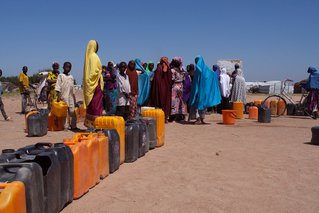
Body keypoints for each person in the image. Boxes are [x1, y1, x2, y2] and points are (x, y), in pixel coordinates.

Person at [189, 56, 221, 124]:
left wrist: (195, 91)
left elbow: (196, 82)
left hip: (199, 91)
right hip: (205, 92)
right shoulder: (207, 70)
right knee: (203, 105)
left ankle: (198, 119)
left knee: (197, 105)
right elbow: (212, 74)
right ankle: (202, 119)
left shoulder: (198, 69)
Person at [83, 40, 104, 128]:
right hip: (95, 84)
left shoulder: (87, 58)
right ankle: (96, 125)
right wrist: (100, 71)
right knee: (96, 105)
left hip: (90, 84)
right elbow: (94, 72)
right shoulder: (94, 56)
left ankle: (89, 124)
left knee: (91, 105)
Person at [55, 62, 77, 131]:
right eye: (66, 67)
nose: (68, 68)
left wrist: (74, 97)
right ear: (63, 67)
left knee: (72, 111)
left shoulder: (71, 77)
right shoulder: (60, 76)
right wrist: (58, 97)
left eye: (69, 67)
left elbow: (72, 88)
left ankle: (73, 126)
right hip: (63, 96)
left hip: (70, 96)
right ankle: (65, 126)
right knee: (64, 112)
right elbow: (58, 87)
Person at [150, 57, 172, 123]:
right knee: (161, 102)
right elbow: (157, 80)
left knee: (166, 103)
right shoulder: (160, 68)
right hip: (160, 89)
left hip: (165, 89)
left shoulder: (167, 68)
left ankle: (165, 118)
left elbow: (169, 79)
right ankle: (162, 118)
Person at [170, 57, 187, 122]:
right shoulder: (182, 70)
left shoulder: (172, 70)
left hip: (175, 86)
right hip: (181, 86)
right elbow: (184, 79)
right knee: (180, 100)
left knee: (173, 100)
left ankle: (173, 116)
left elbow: (172, 79)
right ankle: (181, 115)